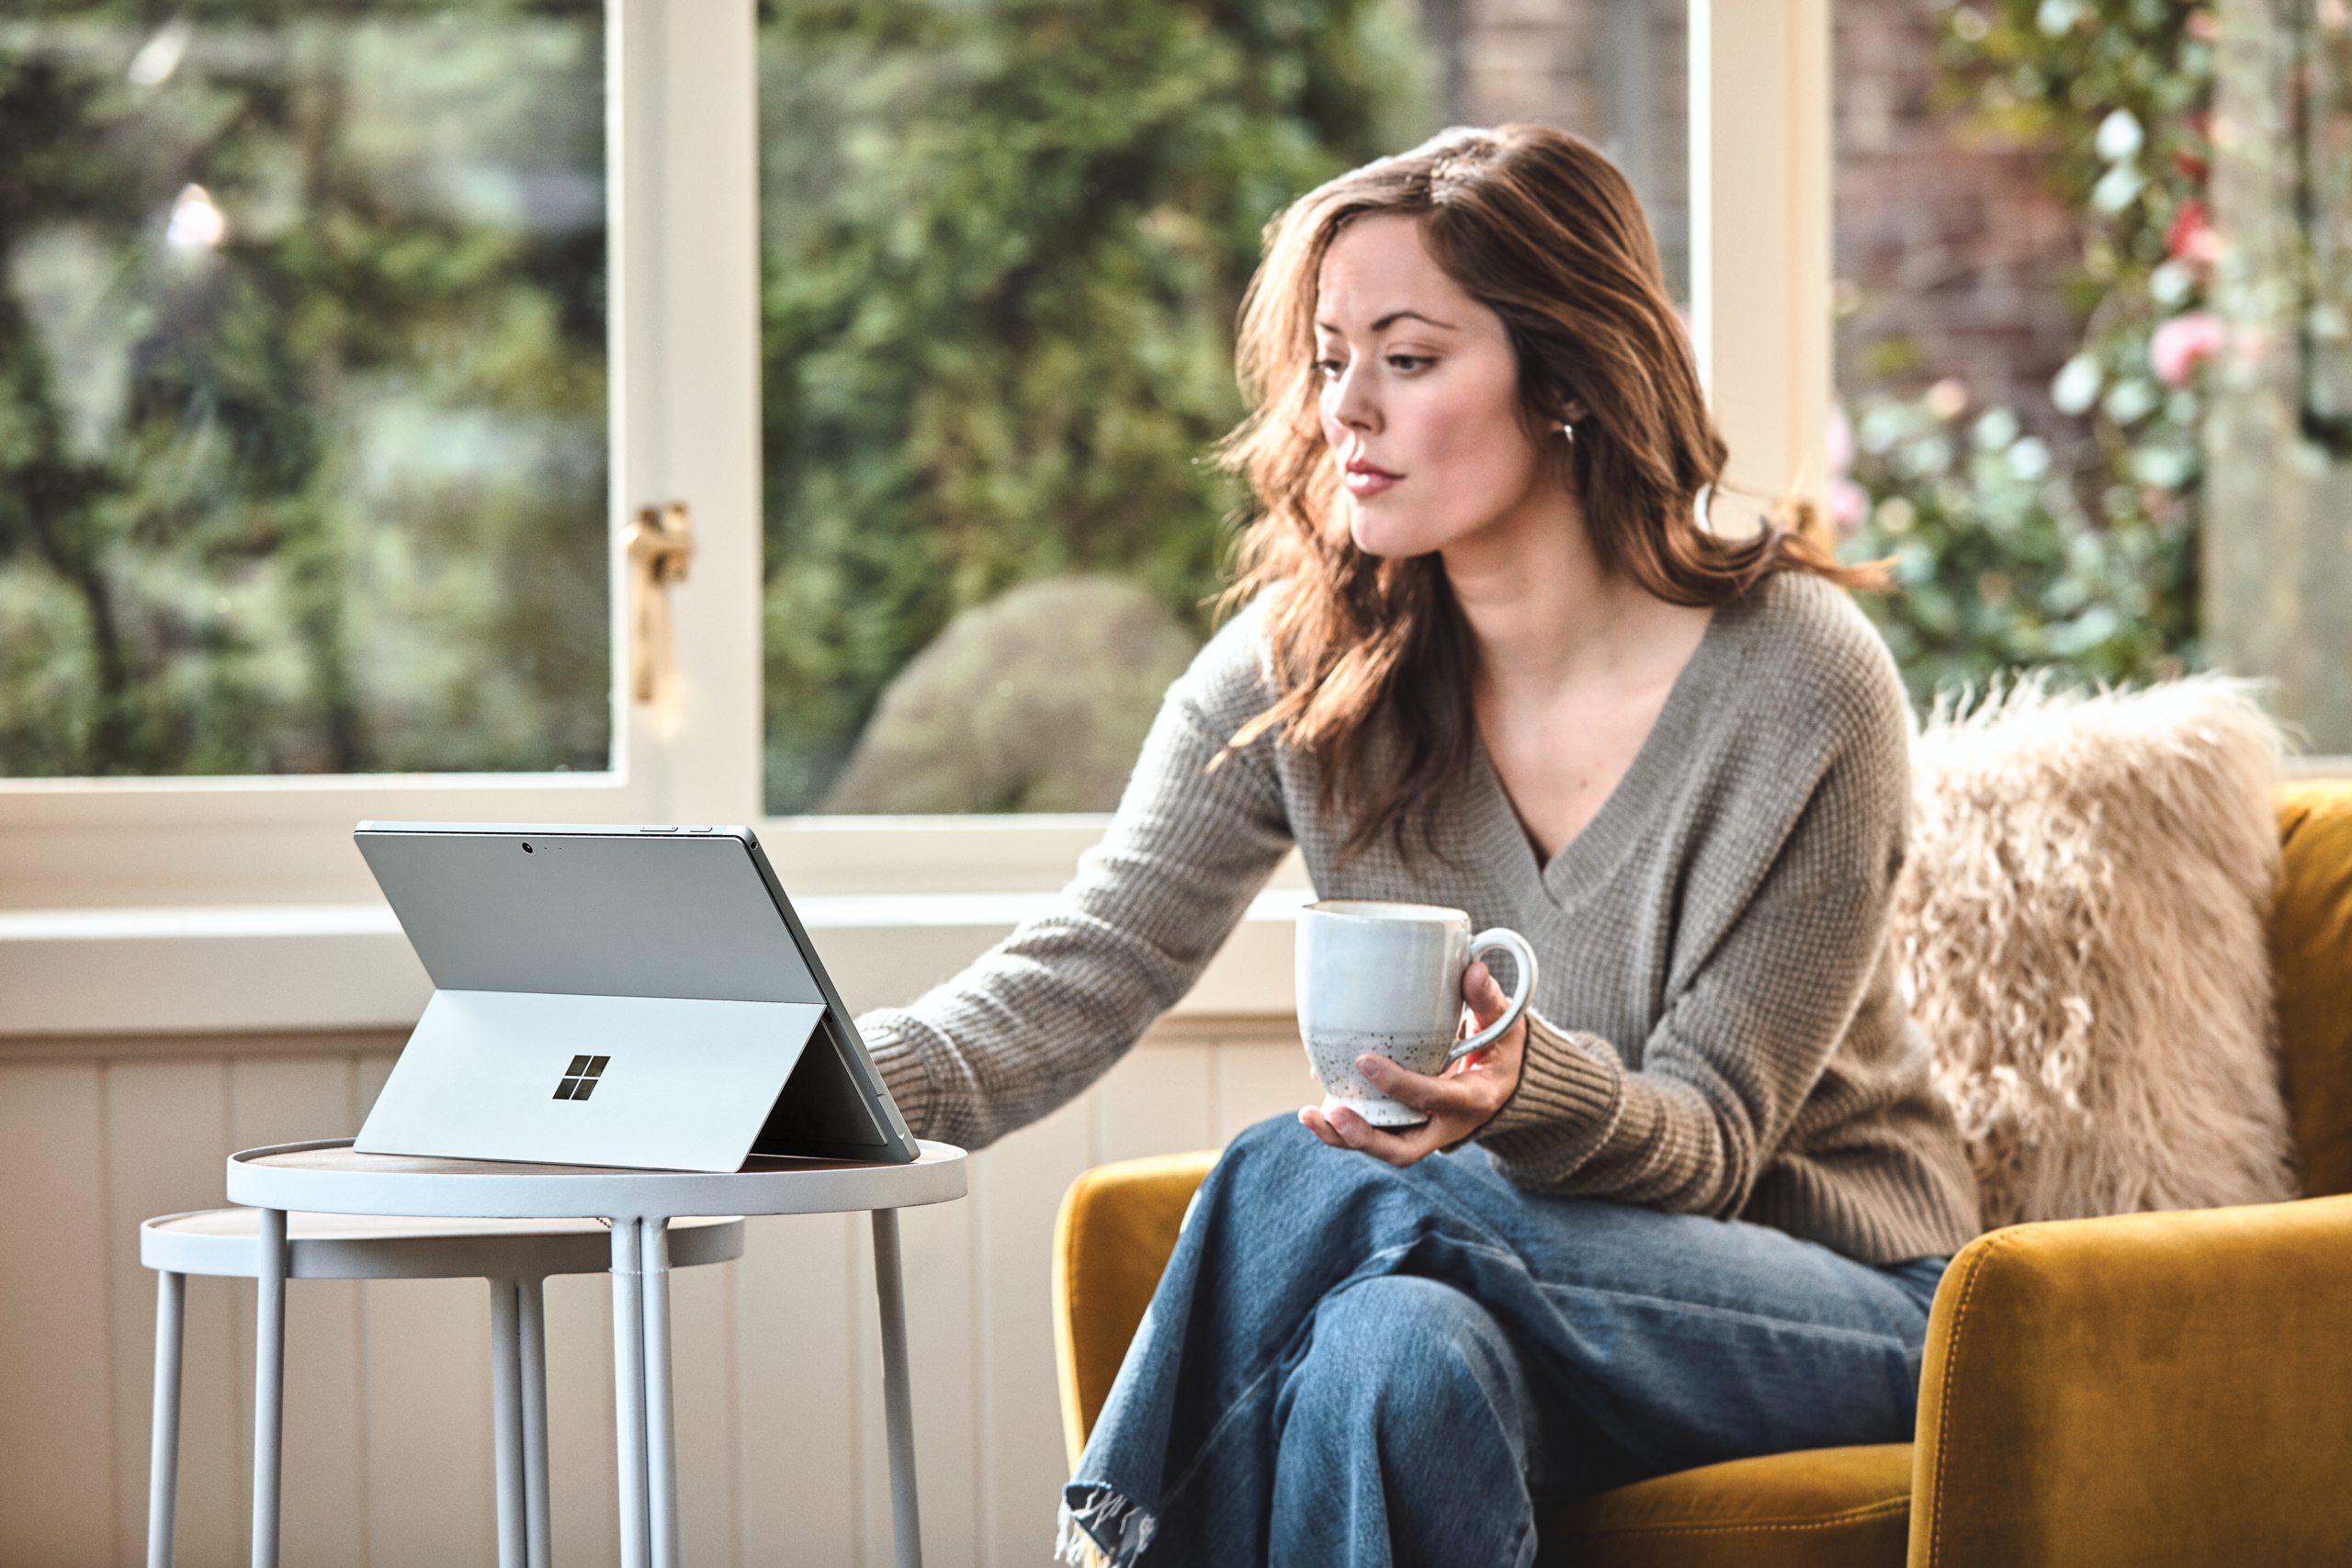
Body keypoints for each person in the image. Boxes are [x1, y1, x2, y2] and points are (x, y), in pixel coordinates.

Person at [854, 123, 1982, 1568]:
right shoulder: (1313, 666)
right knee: (1391, 1354)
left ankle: (1102, 1547)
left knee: (1318, 1177)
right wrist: (801, 1083)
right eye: (1330, 360)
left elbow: (1708, 1142)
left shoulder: (1802, 682)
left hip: (1842, 1302)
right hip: (1493, 1269)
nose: (1347, 412)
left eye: (1409, 356)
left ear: (1564, 379)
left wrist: (1524, 1090)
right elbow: (1090, 961)